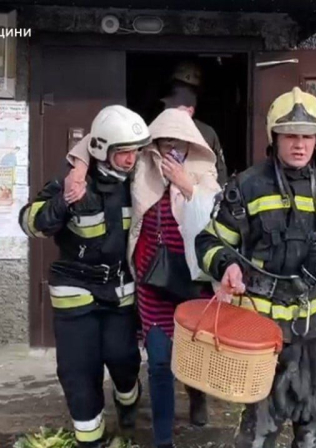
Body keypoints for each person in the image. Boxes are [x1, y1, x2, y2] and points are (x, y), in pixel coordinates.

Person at [195, 87, 316, 448]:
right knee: (259, 431)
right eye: (290, 136)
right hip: (263, 332)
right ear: (275, 138)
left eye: (307, 136)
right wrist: (225, 266)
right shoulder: (248, 186)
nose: (299, 144)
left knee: (314, 426)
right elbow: (208, 243)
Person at [64, 108, 220, 448]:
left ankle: (196, 396)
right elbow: (98, 142)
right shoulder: (141, 166)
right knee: (160, 362)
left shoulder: (204, 171)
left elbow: (215, 216)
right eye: (163, 141)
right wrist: (77, 169)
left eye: (178, 142)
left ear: (192, 143)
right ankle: (163, 440)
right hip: (152, 282)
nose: (170, 149)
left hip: (193, 283)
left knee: (193, 357)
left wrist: (186, 185)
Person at [18, 105, 149, 448]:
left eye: (134, 151)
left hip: (119, 293)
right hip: (75, 293)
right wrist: (62, 202)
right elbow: (30, 223)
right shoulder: (71, 184)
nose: (130, 159)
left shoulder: (139, 185)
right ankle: (91, 441)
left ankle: (128, 411)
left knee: (124, 361)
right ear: (103, 150)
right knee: (79, 371)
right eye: (123, 152)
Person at [162, 60, 228, 186]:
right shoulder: (155, 129)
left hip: (197, 199)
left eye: (190, 91)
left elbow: (220, 178)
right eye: (179, 90)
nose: (183, 97)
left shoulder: (207, 133)